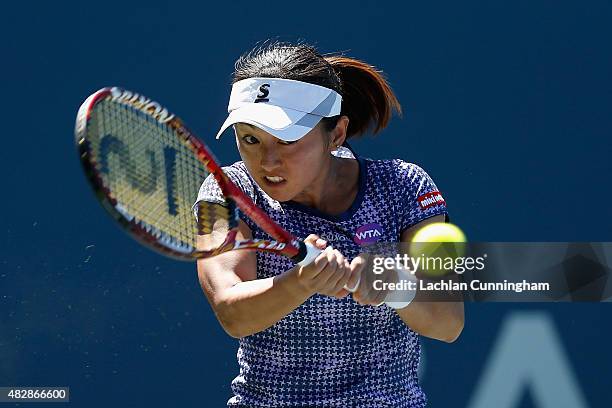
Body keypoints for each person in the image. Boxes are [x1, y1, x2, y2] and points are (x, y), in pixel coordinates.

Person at [193, 41, 464, 408]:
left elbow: (449, 322)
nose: (268, 160)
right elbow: (231, 311)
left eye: (287, 139)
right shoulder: (226, 192)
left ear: (335, 133)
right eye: (251, 139)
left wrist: (395, 285)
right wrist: (300, 282)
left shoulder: (405, 186)